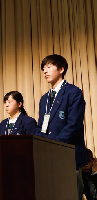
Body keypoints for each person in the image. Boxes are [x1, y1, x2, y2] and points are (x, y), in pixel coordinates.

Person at [35, 54, 88, 200]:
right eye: (43, 68)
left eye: (49, 67)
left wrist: (54, 146)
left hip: (68, 155)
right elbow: (41, 127)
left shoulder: (73, 92)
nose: (45, 71)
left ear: (61, 69)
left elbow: (73, 125)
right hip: (48, 157)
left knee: (70, 195)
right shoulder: (44, 99)